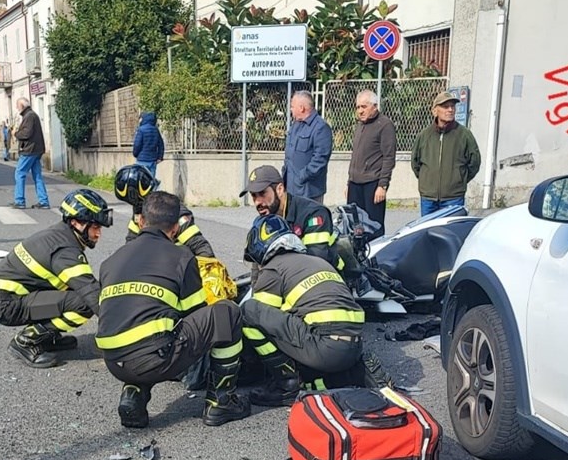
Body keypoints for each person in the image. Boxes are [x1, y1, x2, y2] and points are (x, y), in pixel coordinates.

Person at [96, 190, 250, 429]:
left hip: (113, 362)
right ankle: (221, 403)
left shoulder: (114, 259)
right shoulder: (182, 257)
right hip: (153, 360)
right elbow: (196, 313)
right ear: (176, 228)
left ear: (140, 221)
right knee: (226, 314)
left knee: (145, 325)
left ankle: (134, 394)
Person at [240, 215, 367, 406]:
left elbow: (263, 318)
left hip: (325, 351)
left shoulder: (274, 269)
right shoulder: (317, 262)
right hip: (355, 349)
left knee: (249, 310)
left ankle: (286, 384)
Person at [0, 189, 113, 369]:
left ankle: (47, 337)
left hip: (7, 295)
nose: (98, 234)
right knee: (83, 303)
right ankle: (27, 341)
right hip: (7, 304)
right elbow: (92, 294)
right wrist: (122, 328)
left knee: (71, 289)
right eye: (96, 227)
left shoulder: (61, 233)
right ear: (77, 223)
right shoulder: (65, 251)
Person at [241, 165, 339, 269]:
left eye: (262, 193)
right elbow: (258, 266)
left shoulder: (314, 214)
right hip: (292, 276)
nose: (257, 202)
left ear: (279, 189)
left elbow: (315, 263)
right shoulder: (267, 219)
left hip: (328, 279)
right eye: (254, 195)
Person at [115, 164, 214, 257]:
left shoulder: (174, 211)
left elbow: (202, 249)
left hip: (178, 266)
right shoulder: (139, 213)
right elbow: (131, 244)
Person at [411, 91, 481, 216]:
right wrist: (426, 181)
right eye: (445, 106)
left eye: (452, 106)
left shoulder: (464, 135)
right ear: (434, 111)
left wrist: (459, 179)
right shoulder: (424, 135)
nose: (450, 110)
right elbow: (415, 163)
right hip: (428, 198)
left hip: (454, 197)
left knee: (452, 233)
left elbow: (474, 162)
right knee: (427, 232)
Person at [347, 90, 396, 239]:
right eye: (358, 107)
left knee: (373, 227)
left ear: (374, 106)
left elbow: (389, 157)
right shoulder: (360, 125)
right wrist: (348, 182)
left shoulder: (385, 125)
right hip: (355, 184)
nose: (360, 111)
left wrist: (382, 185)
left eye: (364, 106)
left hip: (373, 184)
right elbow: (356, 156)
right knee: (355, 227)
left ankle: (375, 258)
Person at [283, 91, 333, 202]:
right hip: (291, 189)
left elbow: (320, 160)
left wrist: (301, 177)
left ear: (301, 108)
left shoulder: (321, 128)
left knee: (310, 219)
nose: (291, 109)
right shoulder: (295, 126)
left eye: (292, 106)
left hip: (309, 191)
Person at [14, 96, 49, 209]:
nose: (17, 108)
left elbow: (26, 134)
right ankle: (44, 201)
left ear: (22, 106)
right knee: (37, 176)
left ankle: (20, 201)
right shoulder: (33, 115)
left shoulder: (29, 116)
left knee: (19, 173)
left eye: (17, 106)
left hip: (29, 150)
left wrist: (16, 133)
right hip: (37, 150)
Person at [132, 112, 164, 178]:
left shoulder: (141, 130)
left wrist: (135, 154)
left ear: (143, 119)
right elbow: (161, 144)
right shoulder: (156, 130)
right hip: (153, 160)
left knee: (141, 181)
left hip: (142, 160)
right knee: (151, 181)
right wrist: (160, 157)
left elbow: (137, 145)